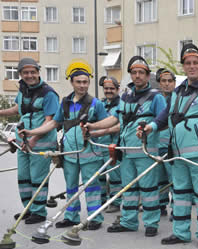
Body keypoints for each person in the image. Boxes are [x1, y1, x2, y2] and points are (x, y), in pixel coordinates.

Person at [141, 43, 198, 249]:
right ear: (183, 66)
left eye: (195, 63)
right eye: (188, 63)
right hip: (177, 155)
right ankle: (180, 233)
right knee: (180, 195)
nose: (192, 66)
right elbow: (163, 117)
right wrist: (150, 127)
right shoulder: (178, 92)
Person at [20, 60, 108, 230]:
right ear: (72, 82)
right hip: (69, 153)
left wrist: (95, 131)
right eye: (79, 82)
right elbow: (54, 123)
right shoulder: (65, 103)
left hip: (90, 153)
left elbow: (107, 123)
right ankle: (71, 216)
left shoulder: (96, 103)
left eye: (85, 82)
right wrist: (33, 132)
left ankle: (94, 218)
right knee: (71, 187)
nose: (83, 86)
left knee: (92, 187)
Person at [84, 56, 166, 237]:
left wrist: (149, 130)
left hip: (145, 151)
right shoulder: (126, 97)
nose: (137, 76)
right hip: (127, 152)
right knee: (127, 188)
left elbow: (163, 120)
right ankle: (129, 221)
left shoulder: (156, 97)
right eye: (134, 72)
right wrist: (94, 126)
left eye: (141, 73)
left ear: (147, 75)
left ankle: (151, 223)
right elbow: (116, 119)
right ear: (130, 75)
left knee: (149, 189)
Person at [0, 58, 59, 224]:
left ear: (38, 72)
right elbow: (17, 109)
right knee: (23, 177)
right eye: (25, 72)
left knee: (37, 178)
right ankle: (28, 208)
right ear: (20, 74)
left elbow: (50, 121)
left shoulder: (49, 93)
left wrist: (34, 139)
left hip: (41, 142)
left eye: (33, 72)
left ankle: (39, 212)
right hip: (23, 141)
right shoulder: (23, 90)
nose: (29, 75)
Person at [95, 76, 122, 213]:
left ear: (117, 89)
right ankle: (102, 201)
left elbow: (118, 126)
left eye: (112, 88)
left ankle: (116, 202)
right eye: (106, 88)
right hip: (100, 146)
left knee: (115, 177)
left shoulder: (121, 105)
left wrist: (100, 132)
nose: (109, 91)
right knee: (99, 176)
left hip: (113, 145)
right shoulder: (101, 104)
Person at [156, 68, 177, 218]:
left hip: (171, 146)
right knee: (160, 179)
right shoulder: (155, 99)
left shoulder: (178, 98)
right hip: (156, 145)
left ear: (174, 83)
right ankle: (161, 205)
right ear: (159, 83)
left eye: (170, 81)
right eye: (164, 81)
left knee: (174, 179)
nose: (167, 84)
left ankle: (176, 208)